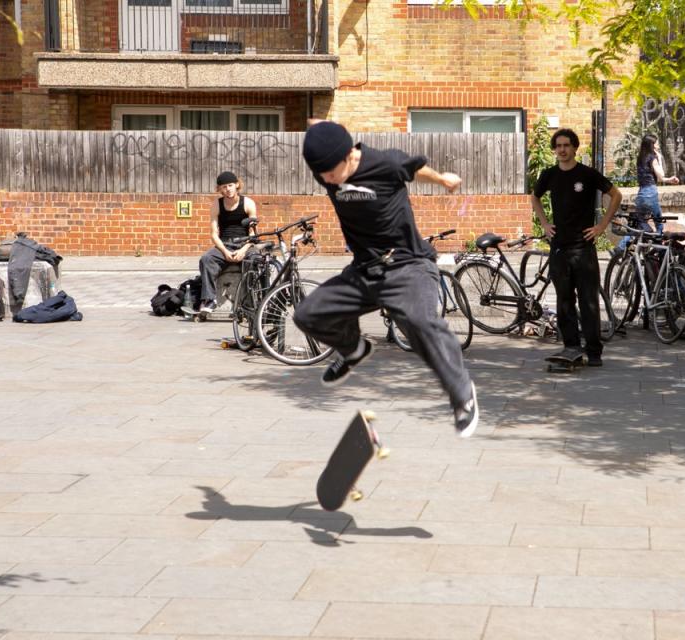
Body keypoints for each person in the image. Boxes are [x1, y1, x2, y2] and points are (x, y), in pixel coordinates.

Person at [293, 120, 479, 437]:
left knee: (418, 321)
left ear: (350, 155)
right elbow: (325, 145)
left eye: (331, 173)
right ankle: (353, 349)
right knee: (308, 314)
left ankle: (462, 393)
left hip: (408, 264)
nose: (326, 180)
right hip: (364, 269)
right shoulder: (326, 168)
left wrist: (442, 179)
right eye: (321, 174)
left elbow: (414, 169)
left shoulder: (385, 163)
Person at [531, 128, 623, 366]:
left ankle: (594, 352)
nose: (562, 150)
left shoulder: (588, 174)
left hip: (584, 249)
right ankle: (571, 346)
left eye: (566, 145)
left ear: (574, 148)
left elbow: (616, 195)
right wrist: (544, 222)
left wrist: (602, 225)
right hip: (560, 248)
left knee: (588, 301)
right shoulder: (549, 175)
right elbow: (535, 197)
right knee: (564, 301)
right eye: (558, 146)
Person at [197, 171, 258, 313]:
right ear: (219, 189)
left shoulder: (248, 203)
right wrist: (224, 251)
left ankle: (251, 300)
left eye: (230, 185)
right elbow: (214, 234)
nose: (228, 189)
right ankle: (209, 300)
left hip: (245, 244)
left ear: (237, 185)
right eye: (223, 187)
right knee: (206, 259)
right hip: (225, 244)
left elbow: (253, 234)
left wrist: (243, 250)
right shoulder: (217, 205)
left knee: (256, 260)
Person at [618, 134, 679, 252]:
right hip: (650, 193)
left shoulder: (641, 157)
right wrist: (659, 158)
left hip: (641, 194)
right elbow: (660, 176)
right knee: (659, 222)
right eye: (655, 143)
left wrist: (669, 180)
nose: (657, 145)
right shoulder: (653, 158)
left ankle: (620, 248)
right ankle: (660, 249)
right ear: (651, 145)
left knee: (639, 225)